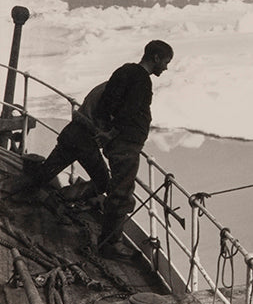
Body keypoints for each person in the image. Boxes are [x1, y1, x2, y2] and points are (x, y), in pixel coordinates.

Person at [27, 40, 173, 261]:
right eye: (166, 62)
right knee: (118, 191)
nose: (166, 67)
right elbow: (128, 112)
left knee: (47, 173)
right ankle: (110, 244)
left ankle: (36, 194)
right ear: (155, 58)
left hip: (77, 134)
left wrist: (107, 135)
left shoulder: (120, 75)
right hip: (108, 143)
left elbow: (108, 108)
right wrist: (113, 135)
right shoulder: (140, 81)